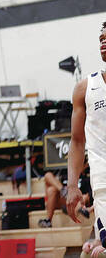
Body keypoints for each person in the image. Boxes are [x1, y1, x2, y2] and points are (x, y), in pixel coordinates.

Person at [68, 24, 106, 251]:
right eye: (101, 37)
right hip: (103, 181)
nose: (103, 41)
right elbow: (77, 140)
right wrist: (72, 186)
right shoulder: (85, 88)